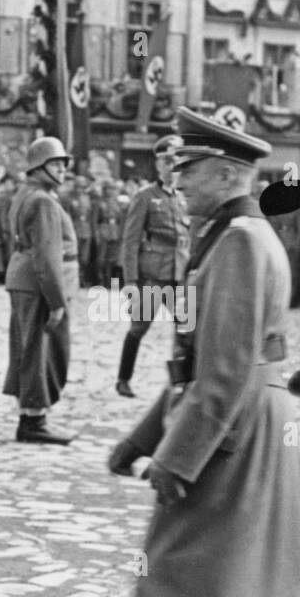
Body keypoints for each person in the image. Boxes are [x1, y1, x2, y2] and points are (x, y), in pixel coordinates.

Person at [108, 108, 300, 597]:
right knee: (229, 573)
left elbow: (225, 369)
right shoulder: (226, 236)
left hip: (236, 426)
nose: (179, 181)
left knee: (191, 568)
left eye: (190, 169)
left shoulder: (239, 243)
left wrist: (174, 461)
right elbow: (194, 363)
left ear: (229, 172)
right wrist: (142, 439)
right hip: (235, 418)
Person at [3, 137, 78, 445]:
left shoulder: (27, 194)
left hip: (24, 281)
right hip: (39, 285)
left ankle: (30, 416)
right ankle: (35, 421)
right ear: (38, 166)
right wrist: (57, 301)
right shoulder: (44, 201)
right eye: (55, 163)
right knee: (41, 352)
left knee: (28, 349)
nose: (62, 169)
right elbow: (47, 257)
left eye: (63, 164)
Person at [117, 134, 189, 399]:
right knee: (138, 328)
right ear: (158, 165)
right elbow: (130, 241)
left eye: (177, 160)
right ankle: (123, 379)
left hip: (178, 275)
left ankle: (181, 382)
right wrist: (131, 281)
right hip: (153, 276)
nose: (173, 167)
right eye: (167, 161)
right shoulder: (145, 196)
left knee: (186, 328)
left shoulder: (183, 199)